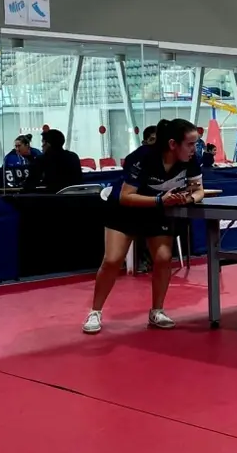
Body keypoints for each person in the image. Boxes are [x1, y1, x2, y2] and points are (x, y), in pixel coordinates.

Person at [83, 118, 204, 334]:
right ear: (173, 144)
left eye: (195, 144)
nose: (195, 148)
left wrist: (188, 199)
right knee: (112, 260)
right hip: (125, 210)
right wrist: (160, 200)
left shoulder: (190, 160)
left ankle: (157, 311)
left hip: (157, 211)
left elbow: (198, 190)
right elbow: (126, 196)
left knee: (163, 258)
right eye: (190, 144)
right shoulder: (142, 157)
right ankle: (95, 311)